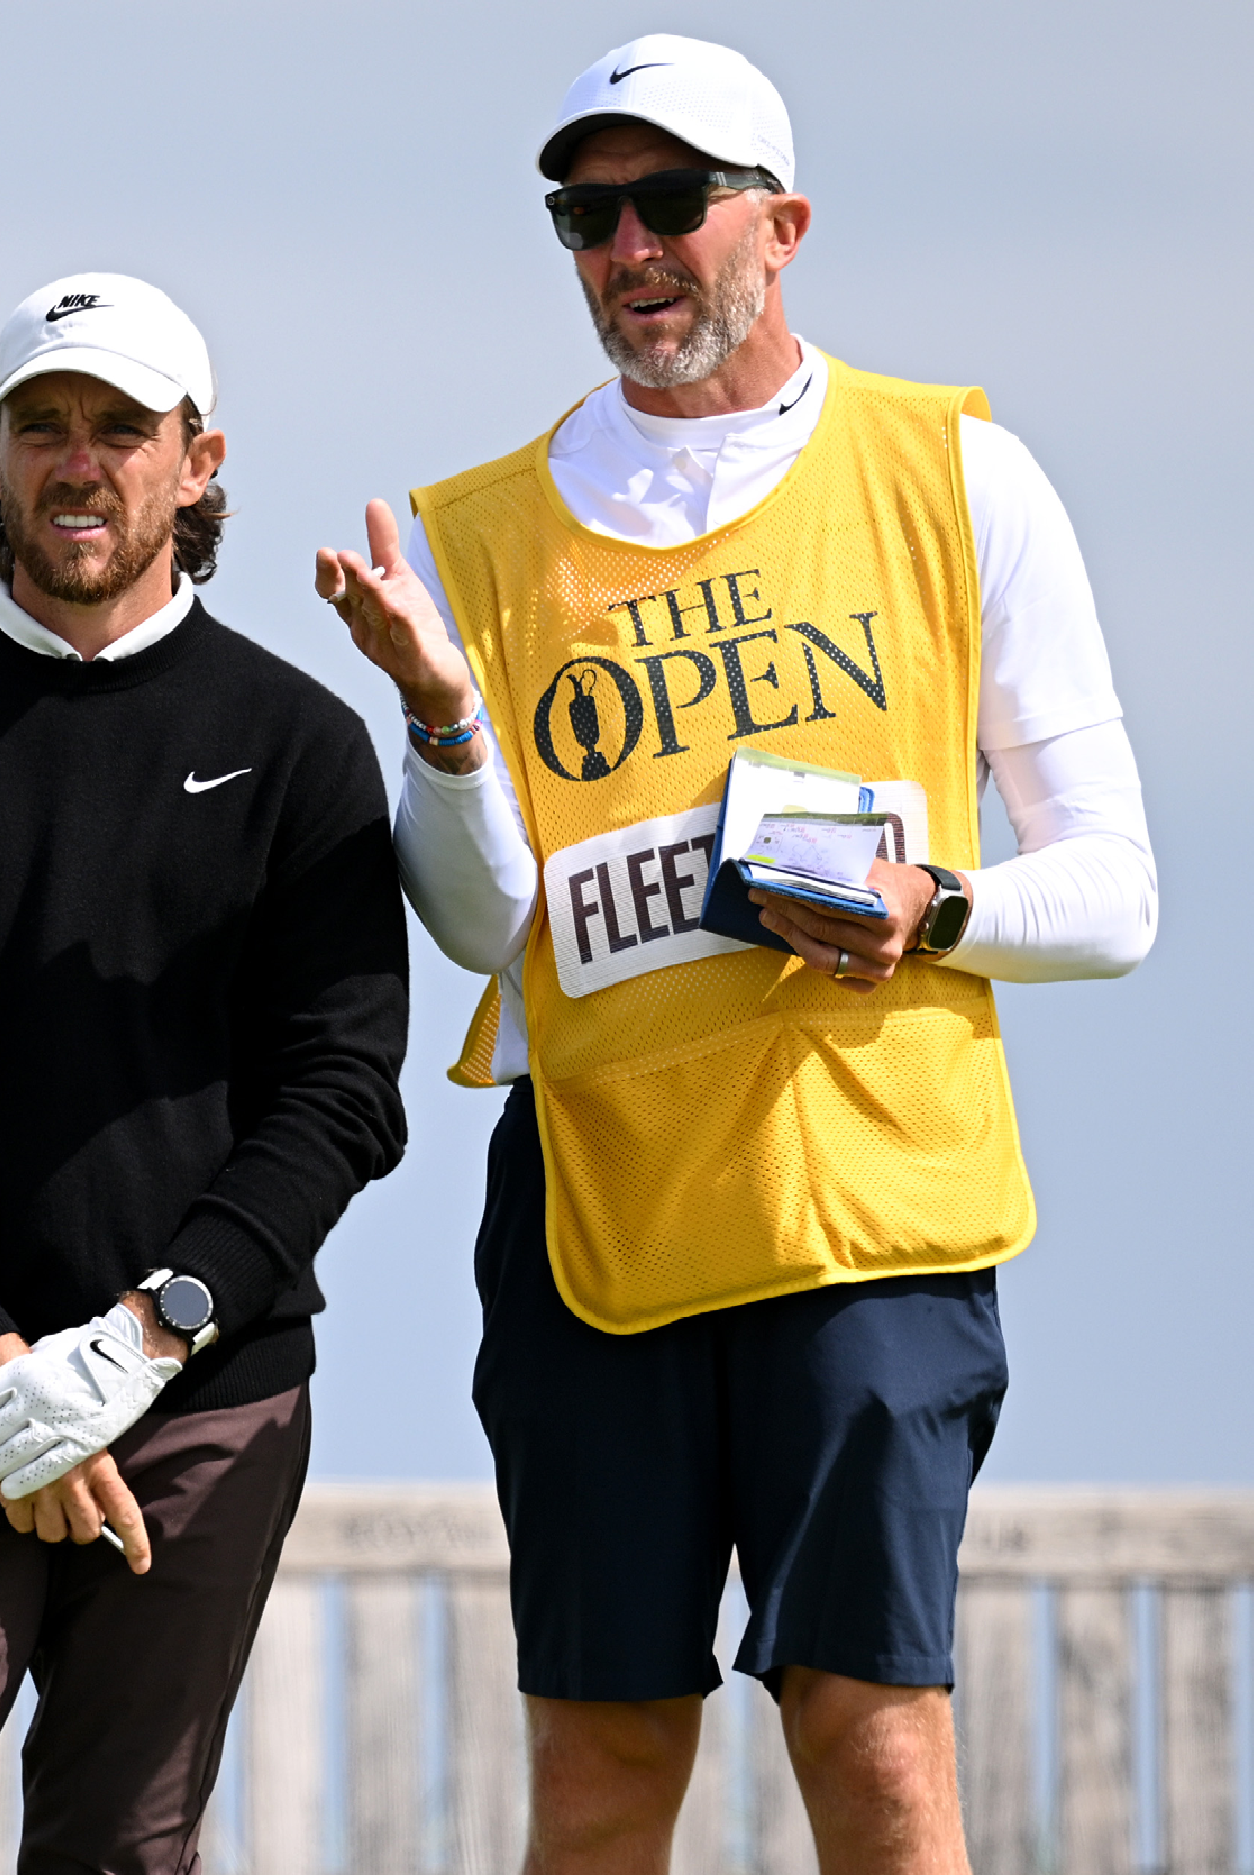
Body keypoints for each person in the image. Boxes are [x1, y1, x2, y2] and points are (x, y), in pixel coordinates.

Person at [316, 35, 1156, 1875]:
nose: (628, 247)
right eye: (586, 213)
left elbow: (1116, 894)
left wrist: (932, 908)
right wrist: (451, 718)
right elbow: (481, 922)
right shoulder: (471, 535)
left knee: (878, 1752)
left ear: (780, 225)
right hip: (595, 1216)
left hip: (869, 1211)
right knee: (605, 1771)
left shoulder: (959, 472)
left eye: (670, 203)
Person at [0, 274, 409, 1872]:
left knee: (123, 1849)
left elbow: (340, 1094)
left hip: (205, 1398)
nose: (80, 462)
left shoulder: (304, 745)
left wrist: (143, 1340)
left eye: (123, 427)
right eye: (44, 425)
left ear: (200, 461)